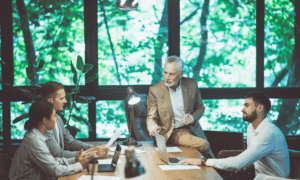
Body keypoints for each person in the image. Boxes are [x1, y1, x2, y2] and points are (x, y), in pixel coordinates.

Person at [179, 91, 290, 178]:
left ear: (259, 108)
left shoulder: (269, 132)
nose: (242, 109)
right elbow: (252, 156)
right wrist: (246, 165)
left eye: (247, 105)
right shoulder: (251, 128)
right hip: (259, 177)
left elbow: (238, 162)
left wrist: (203, 161)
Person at [147, 55, 214, 158]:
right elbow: (151, 117)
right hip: (171, 132)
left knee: (206, 154)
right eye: (165, 72)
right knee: (203, 145)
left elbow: (200, 107)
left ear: (181, 74)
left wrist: (193, 117)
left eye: (172, 74)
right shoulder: (155, 90)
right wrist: (151, 126)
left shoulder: (191, 84)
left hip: (192, 129)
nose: (167, 77)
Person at [9, 101, 96, 180]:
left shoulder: (37, 135)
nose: (56, 119)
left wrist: (75, 159)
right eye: (54, 116)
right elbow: (54, 170)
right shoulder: (34, 141)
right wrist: (79, 165)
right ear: (45, 120)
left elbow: (51, 161)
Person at [42, 81, 108, 158]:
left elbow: (71, 142)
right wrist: (92, 152)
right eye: (62, 98)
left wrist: (94, 148)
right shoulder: (44, 123)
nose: (65, 101)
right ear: (50, 101)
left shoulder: (58, 118)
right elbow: (57, 154)